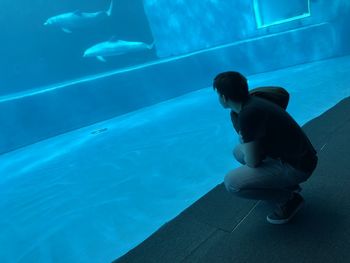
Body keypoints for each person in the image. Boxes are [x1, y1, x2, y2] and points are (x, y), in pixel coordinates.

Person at [213, 71, 318, 224]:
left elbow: (253, 162)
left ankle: (289, 200)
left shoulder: (248, 114)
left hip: (298, 167)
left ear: (223, 97)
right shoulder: (255, 100)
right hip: (301, 157)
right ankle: (287, 185)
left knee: (232, 183)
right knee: (238, 150)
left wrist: (249, 148)